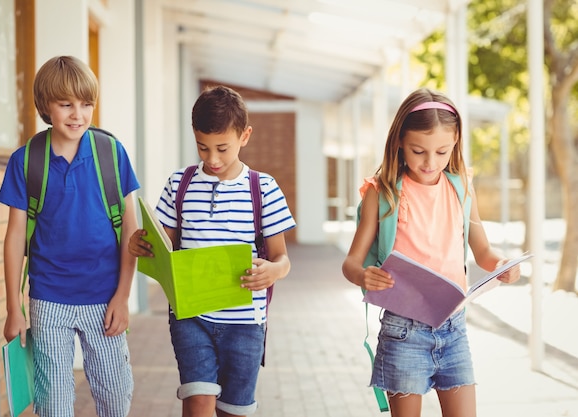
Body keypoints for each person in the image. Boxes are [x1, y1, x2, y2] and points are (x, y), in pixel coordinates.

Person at [341, 87, 522, 417]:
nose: (430, 162)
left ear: (455, 143)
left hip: (454, 328)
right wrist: (363, 275)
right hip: (403, 332)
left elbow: (482, 251)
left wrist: (502, 264)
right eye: (418, 150)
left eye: (441, 151)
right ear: (399, 142)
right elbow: (351, 263)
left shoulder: (462, 186)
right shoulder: (381, 193)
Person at [128, 85, 296, 417]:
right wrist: (140, 244)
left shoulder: (263, 188)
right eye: (203, 148)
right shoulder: (180, 184)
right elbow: (161, 245)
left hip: (246, 324)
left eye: (222, 148)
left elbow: (282, 258)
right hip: (191, 317)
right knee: (198, 401)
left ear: (244, 136)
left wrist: (272, 271)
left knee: (234, 410)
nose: (213, 159)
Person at [0, 55, 139, 417]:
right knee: (54, 404)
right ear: (46, 106)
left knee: (115, 398)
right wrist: (14, 307)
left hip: (105, 300)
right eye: (66, 105)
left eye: (86, 104)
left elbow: (130, 231)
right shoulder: (26, 160)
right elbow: (14, 238)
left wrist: (123, 296)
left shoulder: (111, 154)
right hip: (49, 301)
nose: (78, 114)